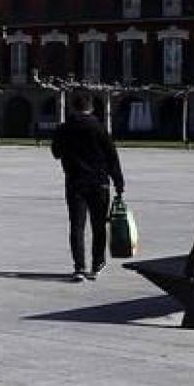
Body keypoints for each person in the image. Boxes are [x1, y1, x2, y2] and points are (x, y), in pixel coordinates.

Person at [50, 94, 125, 282]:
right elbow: (112, 157)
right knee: (98, 225)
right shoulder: (100, 128)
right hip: (99, 183)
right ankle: (97, 263)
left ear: (74, 108)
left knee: (77, 226)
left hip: (75, 182)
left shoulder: (64, 129)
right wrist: (119, 183)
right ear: (91, 108)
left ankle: (79, 268)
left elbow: (56, 153)